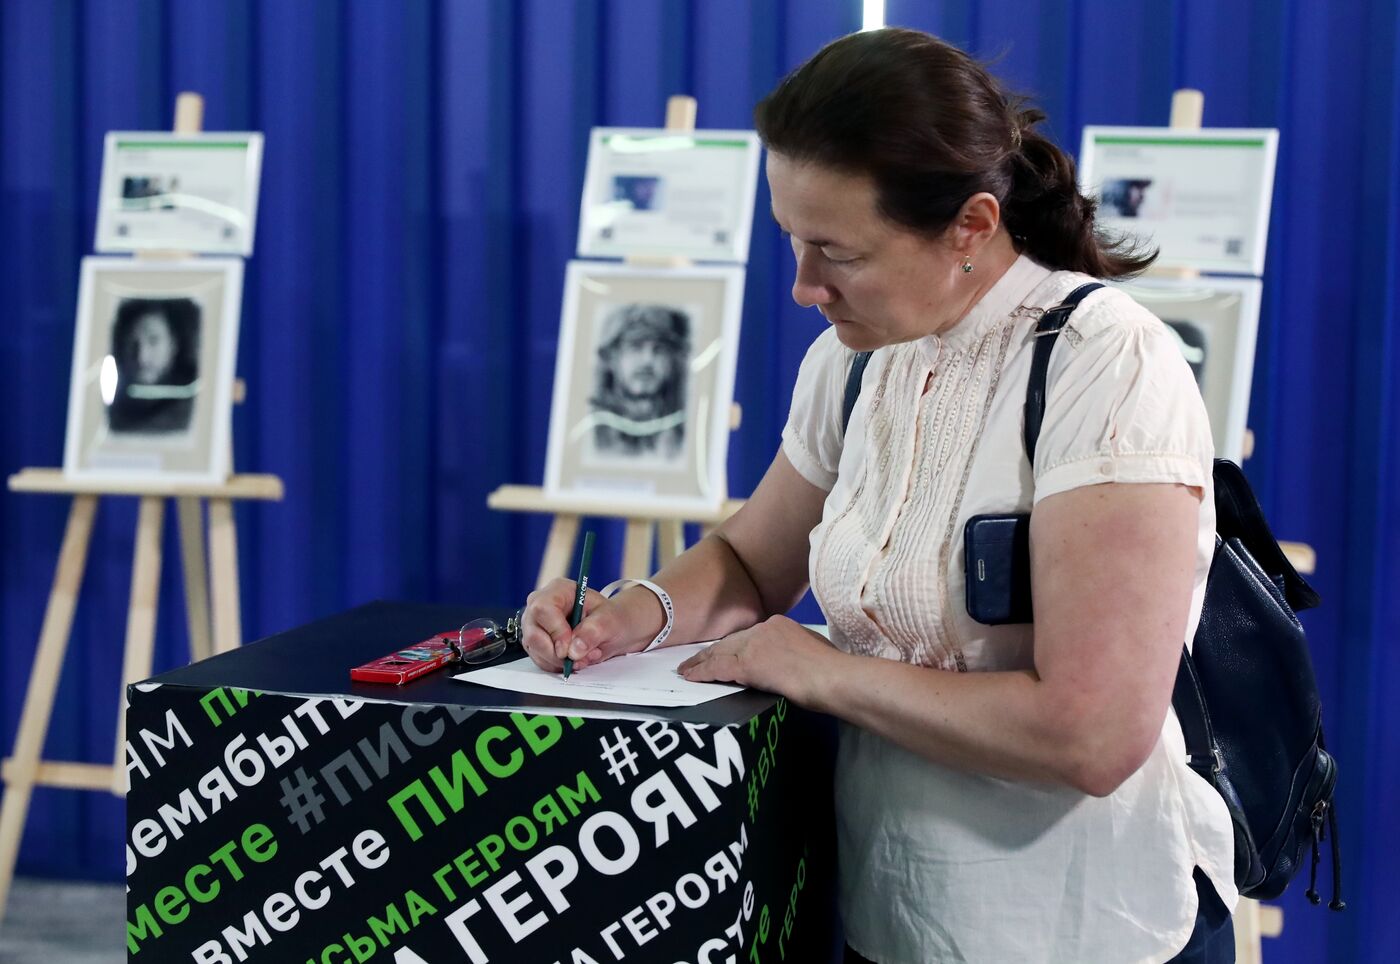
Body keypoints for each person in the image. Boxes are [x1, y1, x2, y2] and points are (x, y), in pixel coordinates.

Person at [523, 27, 1234, 964]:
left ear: (972, 227)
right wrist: (634, 616)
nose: (803, 286)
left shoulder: (1105, 363)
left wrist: (819, 670)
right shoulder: (851, 363)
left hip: (1076, 926)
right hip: (885, 911)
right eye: (791, 240)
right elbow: (749, 559)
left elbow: (1093, 735)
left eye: (836, 252)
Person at [588, 302, 689, 458]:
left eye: (659, 349)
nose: (648, 360)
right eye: (635, 346)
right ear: (610, 357)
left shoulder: (682, 432)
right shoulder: (590, 431)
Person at [107, 296, 200, 434]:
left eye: (153, 340)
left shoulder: (194, 410)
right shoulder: (113, 413)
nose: (141, 356)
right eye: (133, 343)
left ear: (173, 344)